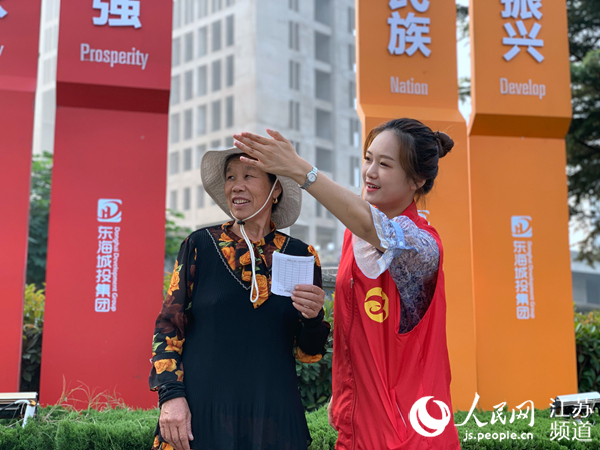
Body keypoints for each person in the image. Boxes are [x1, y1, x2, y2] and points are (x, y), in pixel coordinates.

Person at [233, 118, 461, 449]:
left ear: (417, 180)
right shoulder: (353, 237)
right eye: (368, 159)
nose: (370, 172)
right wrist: (344, 394)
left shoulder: (422, 247)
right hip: (358, 428)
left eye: (385, 164)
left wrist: (300, 170)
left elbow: (374, 227)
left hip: (409, 434)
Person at [149, 147, 331, 450]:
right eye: (231, 177)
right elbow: (169, 327)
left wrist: (313, 319)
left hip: (272, 418)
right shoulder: (199, 245)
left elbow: (309, 352)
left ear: (275, 190)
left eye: (249, 176)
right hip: (203, 412)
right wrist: (171, 397)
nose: (236, 185)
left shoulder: (301, 255)